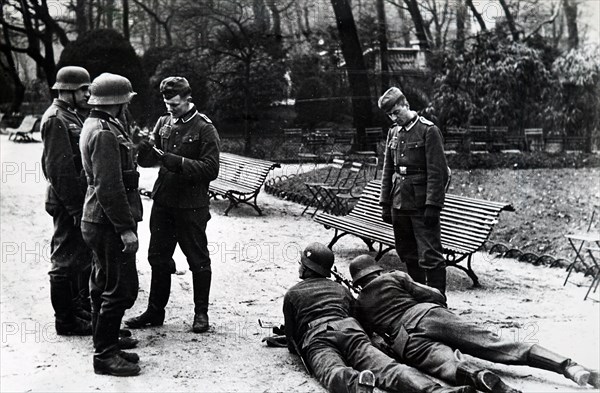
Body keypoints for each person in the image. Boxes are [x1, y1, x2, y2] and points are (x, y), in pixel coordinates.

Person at [349, 255, 600, 392]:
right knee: (494, 342)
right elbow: (436, 295)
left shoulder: (359, 305)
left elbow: (375, 341)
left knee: (446, 364)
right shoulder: (395, 277)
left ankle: (481, 377)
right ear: (377, 270)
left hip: (406, 341)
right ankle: (568, 366)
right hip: (425, 314)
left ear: (357, 281)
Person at [283, 242, 474, 393]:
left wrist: (299, 348)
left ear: (307, 269)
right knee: (389, 367)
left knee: (332, 370)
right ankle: (436, 391)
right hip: (350, 329)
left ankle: (357, 384)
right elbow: (356, 315)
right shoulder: (340, 289)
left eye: (302, 264)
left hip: (318, 336)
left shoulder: (292, 293)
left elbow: (292, 338)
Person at [125, 76, 220, 333]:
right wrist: (142, 148)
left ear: (188, 99)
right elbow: (148, 160)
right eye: (167, 103)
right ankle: (155, 312)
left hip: (191, 206)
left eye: (175, 104)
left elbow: (211, 169)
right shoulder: (163, 122)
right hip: (164, 202)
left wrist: (177, 162)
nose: (170, 109)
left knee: (198, 259)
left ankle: (201, 314)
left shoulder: (204, 128)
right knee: (158, 257)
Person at [80, 73, 143, 376]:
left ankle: (107, 346)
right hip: (107, 221)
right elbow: (109, 186)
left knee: (101, 284)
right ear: (118, 101)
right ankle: (105, 355)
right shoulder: (104, 131)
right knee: (119, 288)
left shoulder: (98, 124)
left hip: (97, 217)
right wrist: (125, 228)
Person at [378, 87, 449, 295]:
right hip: (399, 202)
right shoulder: (393, 132)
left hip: (421, 205)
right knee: (407, 253)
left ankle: (438, 302)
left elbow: (438, 172)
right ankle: (417, 299)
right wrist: (385, 203)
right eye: (390, 114)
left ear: (406, 105)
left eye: (396, 112)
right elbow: (387, 169)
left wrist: (433, 205)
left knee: (430, 255)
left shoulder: (428, 130)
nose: (394, 118)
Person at [41, 66, 93, 336]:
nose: (88, 93)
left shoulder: (72, 114)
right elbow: (58, 170)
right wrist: (74, 207)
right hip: (66, 201)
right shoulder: (55, 119)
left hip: (76, 199)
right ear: (67, 90)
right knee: (63, 261)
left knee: (78, 257)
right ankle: (66, 321)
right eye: (83, 89)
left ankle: (76, 310)